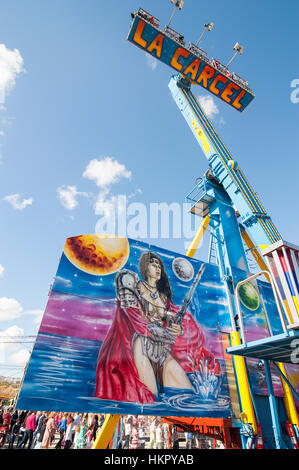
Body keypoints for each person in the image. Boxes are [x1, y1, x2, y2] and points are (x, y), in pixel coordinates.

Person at [94, 253, 220, 403]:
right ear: (145, 268)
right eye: (153, 264)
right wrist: (157, 331)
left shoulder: (163, 298)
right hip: (142, 346)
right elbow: (132, 313)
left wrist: (179, 330)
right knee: (150, 400)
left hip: (162, 349)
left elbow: (175, 319)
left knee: (187, 396)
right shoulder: (135, 285)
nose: (158, 268)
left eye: (159, 265)